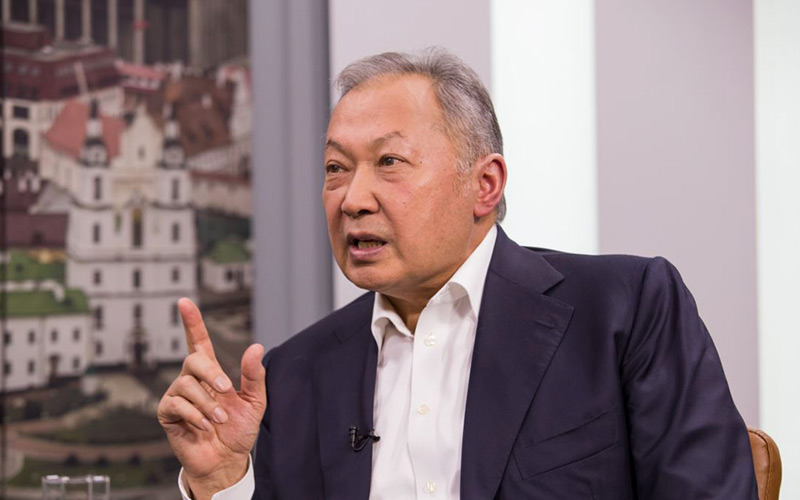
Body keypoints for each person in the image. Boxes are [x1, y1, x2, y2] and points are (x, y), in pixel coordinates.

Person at [158, 48, 758, 500]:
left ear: (485, 184)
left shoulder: (626, 311)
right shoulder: (292, 374)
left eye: (389, 162)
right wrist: (222, 482)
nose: (352, 199)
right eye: (336, 168)